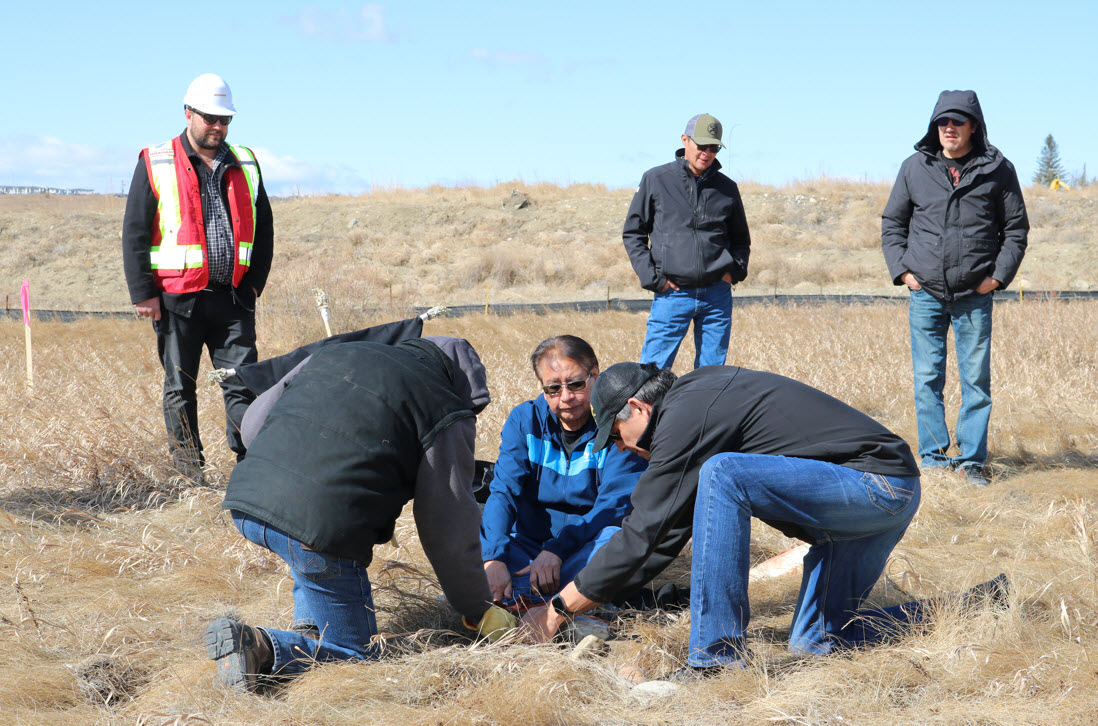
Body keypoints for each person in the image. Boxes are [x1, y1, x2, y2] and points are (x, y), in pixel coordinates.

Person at [521, 362, 1005, 680]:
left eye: (618, 435)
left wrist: (557, 610)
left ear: (639, 408)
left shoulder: (684, 418)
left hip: (877, 488)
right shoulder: (695, 400)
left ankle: (715, 660)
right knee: (819, 641)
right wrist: (598, 599)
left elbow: (644, 532)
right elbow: (665, 533)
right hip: (877, 499)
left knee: (724, 472)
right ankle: (975, 608)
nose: (623, 448)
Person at [205, 337, 515, 692]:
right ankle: (258, 645)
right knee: (357, 657)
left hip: (247, 501)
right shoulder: (443, 405)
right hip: (318, 532)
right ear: (460, 387)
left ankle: (309, 628)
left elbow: (253, 423)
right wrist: (478, 609)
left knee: (306, 538)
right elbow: (448, 531)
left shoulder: (339, 353)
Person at [122, 73, 274, 479]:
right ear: (188, 113)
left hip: (234, 300)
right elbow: (135, 231)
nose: (217, 127)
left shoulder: (245, 161)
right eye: (209, 118)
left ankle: (251, 470)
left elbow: (264, 228)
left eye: (224, 119)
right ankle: (191, 475)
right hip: (177, 301)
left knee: (244, 386)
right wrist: (144, 294)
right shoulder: (156, 161)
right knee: (180, 389)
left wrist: (254, 284)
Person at [881, 90, 1029, 486]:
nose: (949, 128)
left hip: (973, 296)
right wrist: (903, 273)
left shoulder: (999, 169)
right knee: (928, 377)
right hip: (925, 292)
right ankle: (932, 458)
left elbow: (1015, 230)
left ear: (973, 127)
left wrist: (996, 278)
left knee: (975, 381)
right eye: (943, 122)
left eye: (957, 121)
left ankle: (971, 462)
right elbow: (892, 223)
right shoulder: (915, 167)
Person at [480, 336, 647, 608]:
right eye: (553, 388)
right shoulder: (525, 420)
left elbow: (613, 506)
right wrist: (494, 559)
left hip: (588, 545)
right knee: (474, 533)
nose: (566, 397)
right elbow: (504, 491)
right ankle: (568, 600)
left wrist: (557, 550)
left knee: (617, 541)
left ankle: (519, 598)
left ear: (596, 374)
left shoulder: (620, 423)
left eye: (576, 384)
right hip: (527, 546)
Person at [622, 113, 751, 370]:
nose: (707, 153)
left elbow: (740, 239)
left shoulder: (727, 188)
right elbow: (633, 233)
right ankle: (652, 413)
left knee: (712, 378)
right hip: (672, 294)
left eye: (713, 148)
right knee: (652, 376)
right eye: (701, 145)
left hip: (717, 296)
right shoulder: (656, 180)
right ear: (685, 140)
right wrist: (654, 280)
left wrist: (733, 272)